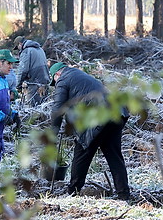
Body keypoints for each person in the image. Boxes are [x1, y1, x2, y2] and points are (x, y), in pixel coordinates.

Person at [49, 62, 130, 200]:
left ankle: (72, 192)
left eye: (54, 81)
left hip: (98, 118)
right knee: (114, 156)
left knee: (82, 152)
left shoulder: (63, 79)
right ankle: (124, 194)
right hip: (117, 113)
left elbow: (58, 109)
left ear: (57, 74)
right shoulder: (80, 75)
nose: (55, 84)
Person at [13, 36, 50, 106]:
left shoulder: (26, 51)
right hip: (45, 83)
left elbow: (23, 70)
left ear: (20, 44)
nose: (18, 50)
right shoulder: (40, 49)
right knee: (43, 108)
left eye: (17, 47)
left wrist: (18, 86)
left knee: (33, 110)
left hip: (34, 85)